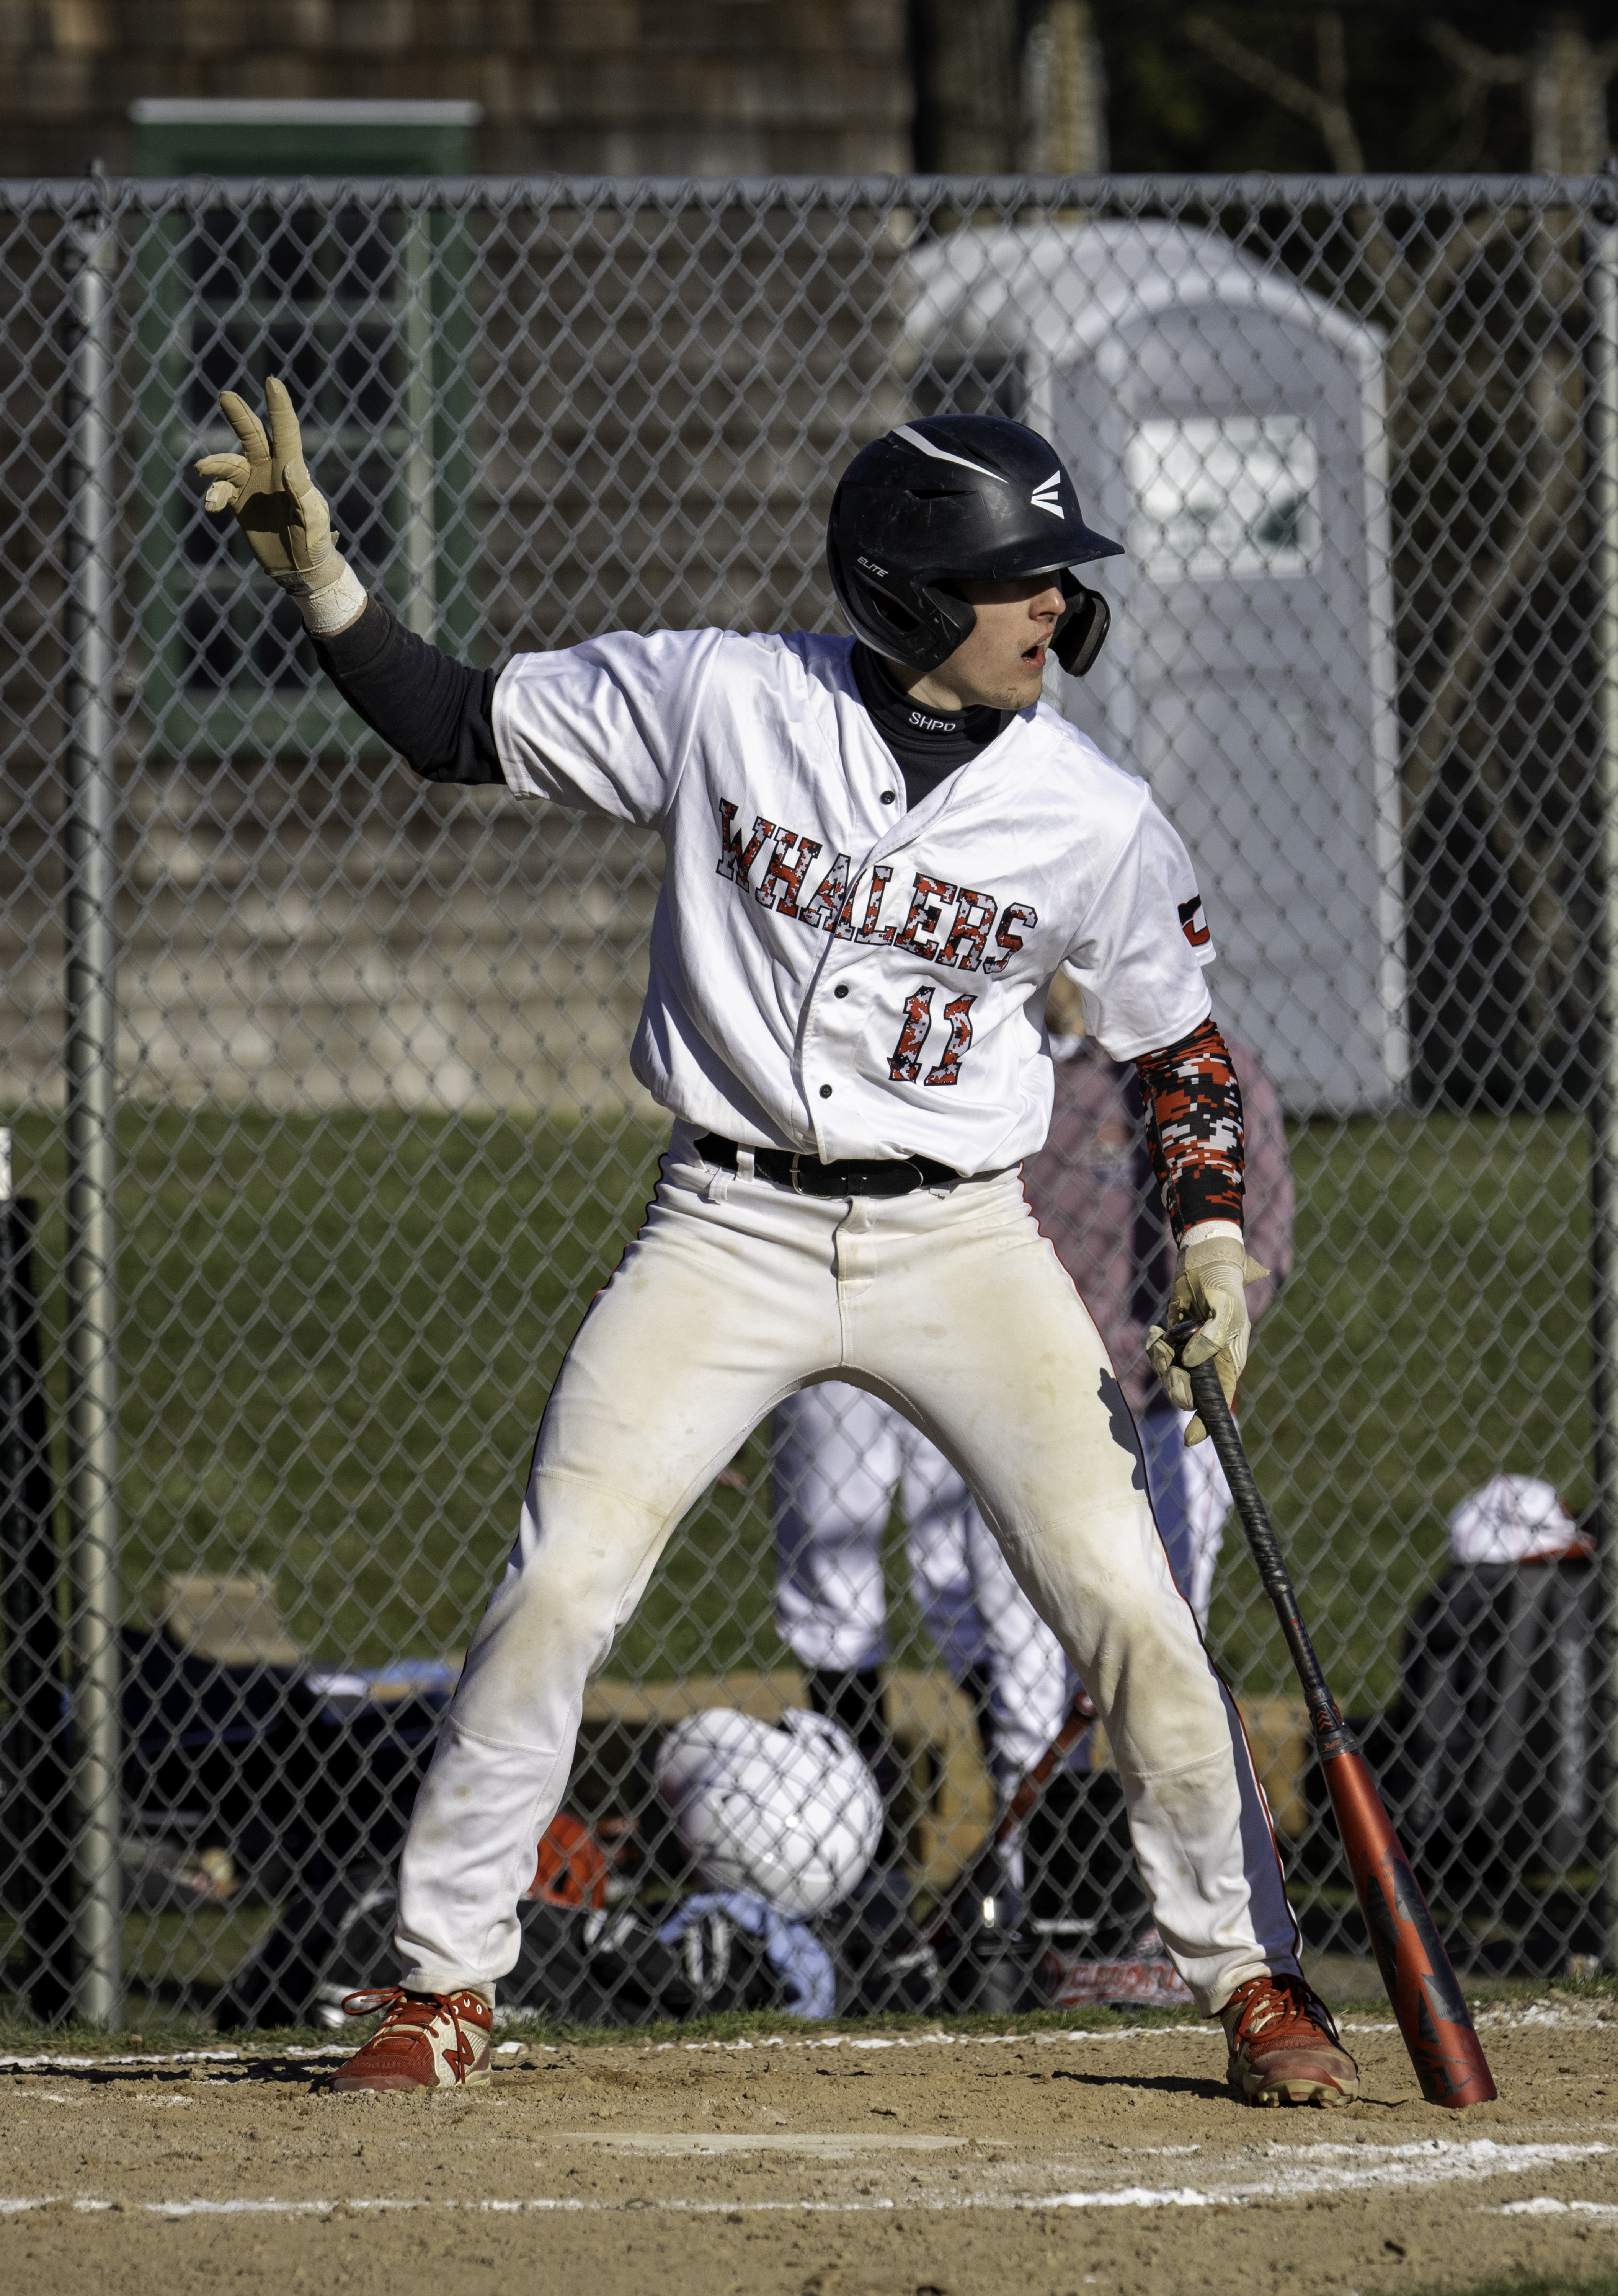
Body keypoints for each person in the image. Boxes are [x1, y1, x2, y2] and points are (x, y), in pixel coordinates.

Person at [194, 379, 1355, 2106]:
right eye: (1019, 574)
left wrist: (1208, 1244)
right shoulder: (725, 697)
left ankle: (1252, 1981)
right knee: (561, 1581)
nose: (1058, 603)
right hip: (723, 1220)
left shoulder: (1092, 812)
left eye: (1057, 575)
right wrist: (328, 590)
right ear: (904, 590)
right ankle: (441, 1987)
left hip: (964, 1243)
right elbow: (453, 725)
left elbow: (1176, 1047)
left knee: (1124, 1598)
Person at [774, 993, 1294, 1793]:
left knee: (1153, 1646)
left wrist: (1210, 1325)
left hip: (1153, 1403)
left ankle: (1155, 1854)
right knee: (1011, 1653)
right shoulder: (981, 1049)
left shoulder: (1190, 1057)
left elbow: (1261, 1227)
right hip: (1011, 1395)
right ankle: (1040, 1852)